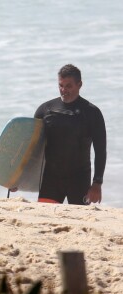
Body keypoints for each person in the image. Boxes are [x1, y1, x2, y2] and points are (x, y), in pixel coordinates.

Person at [33, 64, 106, 205]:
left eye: (68, 86)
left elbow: (100, 150)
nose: (63, 90)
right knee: (45, 220)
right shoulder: (45, 110)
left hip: (79, 180)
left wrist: (97, 183)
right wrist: (18, 179)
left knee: (79, 223)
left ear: (79, 85)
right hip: (51, 179)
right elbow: (32, 149)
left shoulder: (92, 113)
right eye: (60, 85)